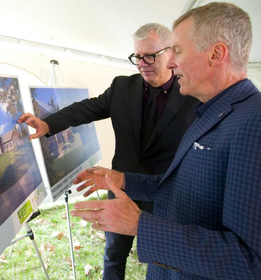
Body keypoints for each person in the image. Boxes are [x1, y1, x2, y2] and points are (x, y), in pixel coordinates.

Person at [71, 2, 261, 280]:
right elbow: (180, 187)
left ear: (217, 53)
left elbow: (249, 261)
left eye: (179, 51)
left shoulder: (253, 122)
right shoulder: (211, 109)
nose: (171, 62)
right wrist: (123, 179)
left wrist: (139, 225)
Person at [18, 23, 199, 279]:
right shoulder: (123, 87)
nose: (142, 63)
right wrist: (49, 123)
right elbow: (87, 109)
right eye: (137, 57)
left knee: (164, 261)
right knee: (114, 254)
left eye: (150, 55)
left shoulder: (192, 92)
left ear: (170, 52)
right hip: (120, 187)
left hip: (165, 193)